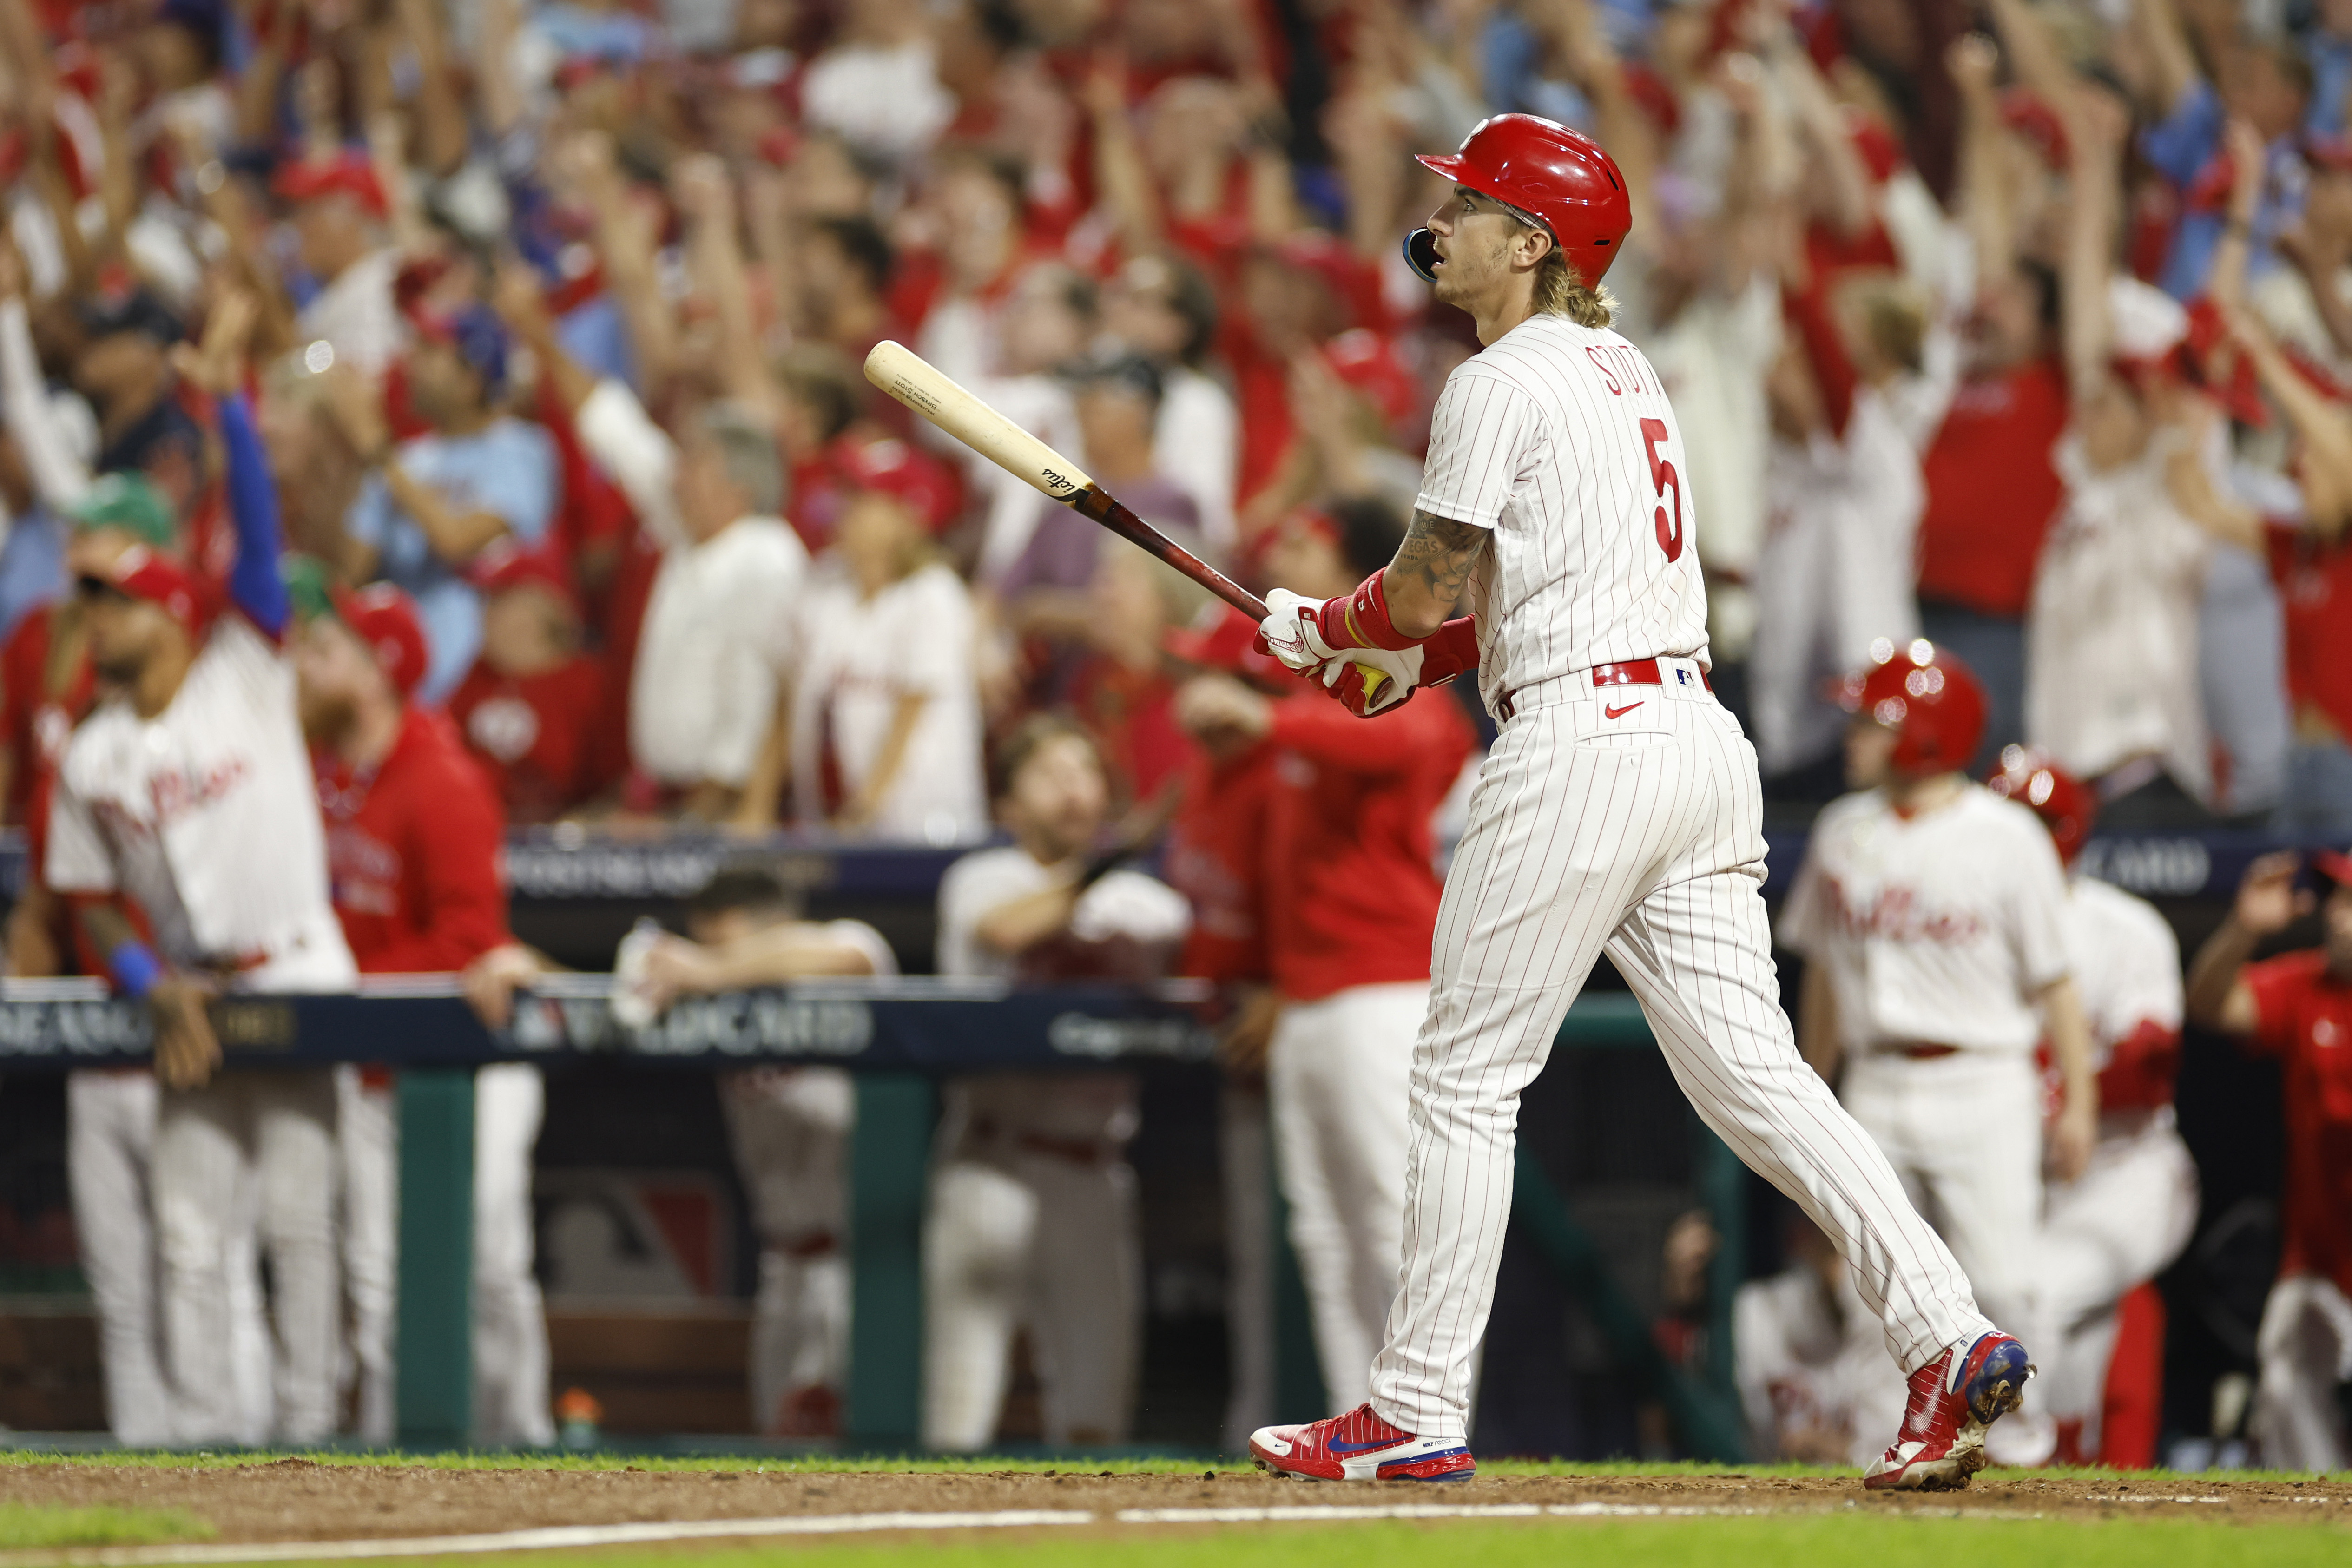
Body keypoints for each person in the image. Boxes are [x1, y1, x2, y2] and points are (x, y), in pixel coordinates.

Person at [1246, 114, 2033, 1492]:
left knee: (1462, 1073)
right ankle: (1945, 1330)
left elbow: (1430, 582)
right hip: (1687, 739)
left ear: (1531, 241)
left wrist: (1331, 623)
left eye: (1469, 204)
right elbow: (1495, 595)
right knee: (1757, 1078)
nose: (1442, 223)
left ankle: (1415, 1401)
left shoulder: (1493, 380)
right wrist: (1391, 654)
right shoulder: (1623, 367)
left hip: (1579, 746)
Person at [42, 298, 358, 1444]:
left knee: (300, 1229)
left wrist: (226, 393)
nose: (87, 616)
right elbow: (86, 902)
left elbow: (261, 537)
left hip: (299, 966)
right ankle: (211, 1460)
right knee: (188, 1237)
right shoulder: (92, 750)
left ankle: (313, 1452)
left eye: (105, 598)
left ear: (162, 608)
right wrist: (145, 982)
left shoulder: (243, 664)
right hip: (189, 995)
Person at [1174, 499, 1476, 1416]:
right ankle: (1366, 1418)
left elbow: (1421, 735)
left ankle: (1431, 1419)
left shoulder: (1391, 668)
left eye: (1302, 539)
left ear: (1352, 564)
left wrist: (1263, 724)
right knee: (1323, 1232)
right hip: (1307, 995)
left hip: (1383, 987)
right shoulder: (1312, 688)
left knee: (1394, 1218)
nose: (1281, 548)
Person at [1781, 645, 2098, 1468]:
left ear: (1923, 734)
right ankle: (1875, 1446)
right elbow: (1823, 972)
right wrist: (1812, 1091)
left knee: (2006, 1279)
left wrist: (2083, 1108)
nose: (1852, 734)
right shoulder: (1841, 828)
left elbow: (2056, 985)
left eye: (1871, 721)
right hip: (1875, 1078)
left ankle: (2020, 1454)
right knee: (1870, 1284)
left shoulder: (2006, 836)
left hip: (1984, 1075)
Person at [287, 564, 552, 1448]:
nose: (306, 664)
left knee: (488, 1266)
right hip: (370, 1063)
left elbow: (471, 938)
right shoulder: (321, 773)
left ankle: (523, 1442)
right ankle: (390, 1468)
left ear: (378, 668)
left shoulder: (440, 776)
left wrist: (341, 987)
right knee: (374, 1274)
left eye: (327, 650)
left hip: (468, 1058)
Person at [924, 715, 1190, 1451]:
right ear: (1008, 806)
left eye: (1084, 772)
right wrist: (1112, 862)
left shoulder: (1150, 906)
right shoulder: (983, 878)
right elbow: (1009, 931)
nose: (1072, 788)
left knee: (1095, 1419)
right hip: (991, 1163)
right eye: (1049, 774)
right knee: (957, 1417)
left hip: (1094, 1175)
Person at [1984, 748, 2198, 1468]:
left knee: (2036, 1293)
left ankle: (2030, 1466)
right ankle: (2070, 1479)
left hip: (2125, 1168)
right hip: (2028, 1174)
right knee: (2062, 1337)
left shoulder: (2122, 925)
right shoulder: (1976, 928)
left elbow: (2152, 1058)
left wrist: (2059, 1090)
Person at [2184, 850, 2352, 1471]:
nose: (2336, 918)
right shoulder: (2307, 984)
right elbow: (2208, 1004)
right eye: (2335, 902)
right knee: (2284, 1379)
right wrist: (2244, 931)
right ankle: (2319, 1520)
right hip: (2318, 1256)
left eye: (2350, 905)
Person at [332, 305, 560, 701]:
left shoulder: (523, 451)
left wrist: (377, 452)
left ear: (471, 380)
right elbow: (352, 573)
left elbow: (457, 541)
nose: (412, 365)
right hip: (400, 678)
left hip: (486, 680)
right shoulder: (405, 460)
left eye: (431, 353)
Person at [790, 439, 986, 842]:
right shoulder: (825, 588)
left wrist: (860, 813)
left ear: (908, 515)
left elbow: (910, 712)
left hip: (923, 827)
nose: (844, 508)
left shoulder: (932, 594)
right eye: (845, 494)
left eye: (862, 498)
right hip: (829, 822)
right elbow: (790, 704)